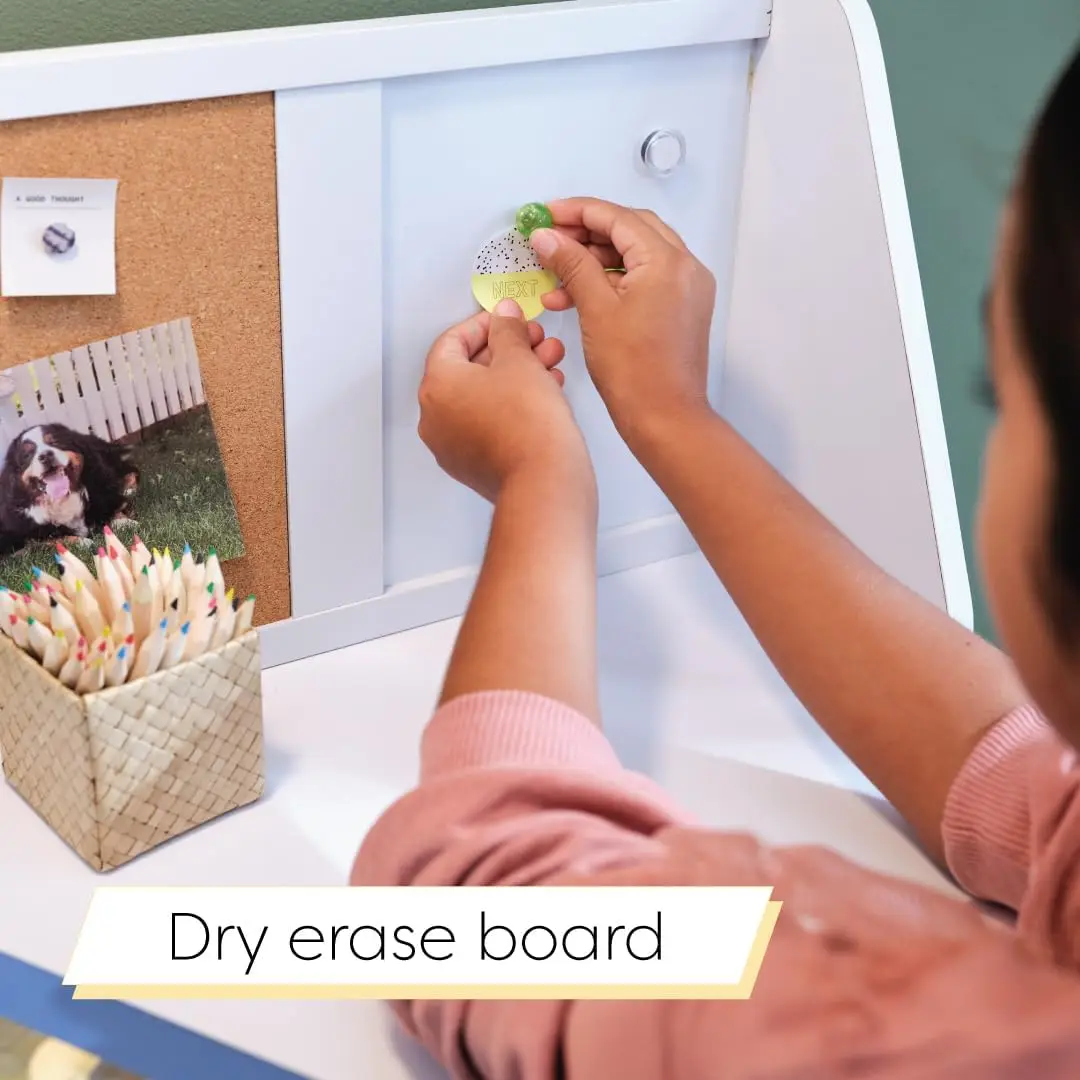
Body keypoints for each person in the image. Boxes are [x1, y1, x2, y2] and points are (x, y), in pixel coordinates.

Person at [352, 45, 1080, 1078]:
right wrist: (667, 415)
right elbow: (1019, 779)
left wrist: (540, 488)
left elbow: (488, 907)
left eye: (995, 391)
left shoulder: (914, 1044)